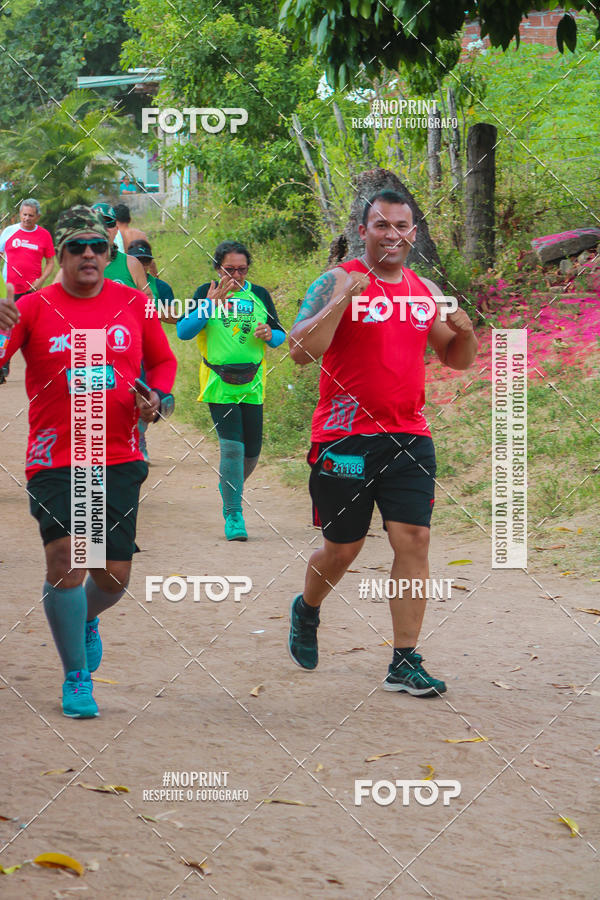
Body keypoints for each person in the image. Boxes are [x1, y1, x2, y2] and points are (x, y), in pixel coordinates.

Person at [287, 189, 478, 696]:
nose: (393, 234)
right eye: (381, 225)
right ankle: (307, 610)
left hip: (409, 435)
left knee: (413, 540)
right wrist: (340, 302)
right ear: (363, 230)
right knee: (342, 549)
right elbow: (300, 352)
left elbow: (456, 358)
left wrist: (467, 332)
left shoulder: (424, 289)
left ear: (413, 232)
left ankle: (404, 660)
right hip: (345, 437)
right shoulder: (337, 279)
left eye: (402, 225)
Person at [0, 205, 176, 718]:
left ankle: (84, 619)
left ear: (109, 253)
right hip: (55, 456)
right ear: (61, 255)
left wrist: (158, 400)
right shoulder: (31, 307)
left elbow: (163, 362)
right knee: (69, 560)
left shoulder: (132, 303)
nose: (89, 256)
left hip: (118, 453)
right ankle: (77, 677)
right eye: (77, 247)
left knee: (113, 575)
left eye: (98, 247)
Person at [177, 240, 285, 541]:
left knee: (251, 452)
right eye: (229, 269)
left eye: (242, 269)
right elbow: (184, 332)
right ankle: (234, 514)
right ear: (217, 268)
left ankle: (230, 486)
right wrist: (208, 304)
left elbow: (280, 336)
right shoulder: (205, 292)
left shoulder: (259, 295)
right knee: (233, 448)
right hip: (218, 382)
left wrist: (269, 333)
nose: (235, 276)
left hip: (253, 383)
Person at [0, 198, 55, 382]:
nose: (26, 219)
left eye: (31, 216)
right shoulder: (9, 232)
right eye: (24, 215)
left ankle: (42, 368)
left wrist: (40, 281)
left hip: (32, 291)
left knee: (35, 330)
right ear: (19, 214)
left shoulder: (44, 235)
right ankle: (2, 367)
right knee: (6, 328)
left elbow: (50, 262)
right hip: (9, 290)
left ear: (37, 217)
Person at [127, 239, 178, 323]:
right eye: (137, 260)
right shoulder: (118, 282)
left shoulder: (161, 286)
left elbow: (174, 318)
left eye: (146, 261)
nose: (141, 265)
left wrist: (151, 312)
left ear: (151, 263)